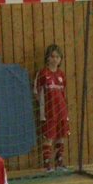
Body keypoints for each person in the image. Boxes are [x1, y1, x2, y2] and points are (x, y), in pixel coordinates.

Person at [34, 44, 70, 172]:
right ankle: (47, 164)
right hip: (49, 112)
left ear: (60, 59)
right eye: (52, 56)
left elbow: (64, 92)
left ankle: (59, 162)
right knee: (48, 137)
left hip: (61, 110)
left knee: (61, 136)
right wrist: (43, 107)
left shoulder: (62, 74)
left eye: (57, 57)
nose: (55, 59)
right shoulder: (43, 73)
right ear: (47, 58)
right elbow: (36, 92)